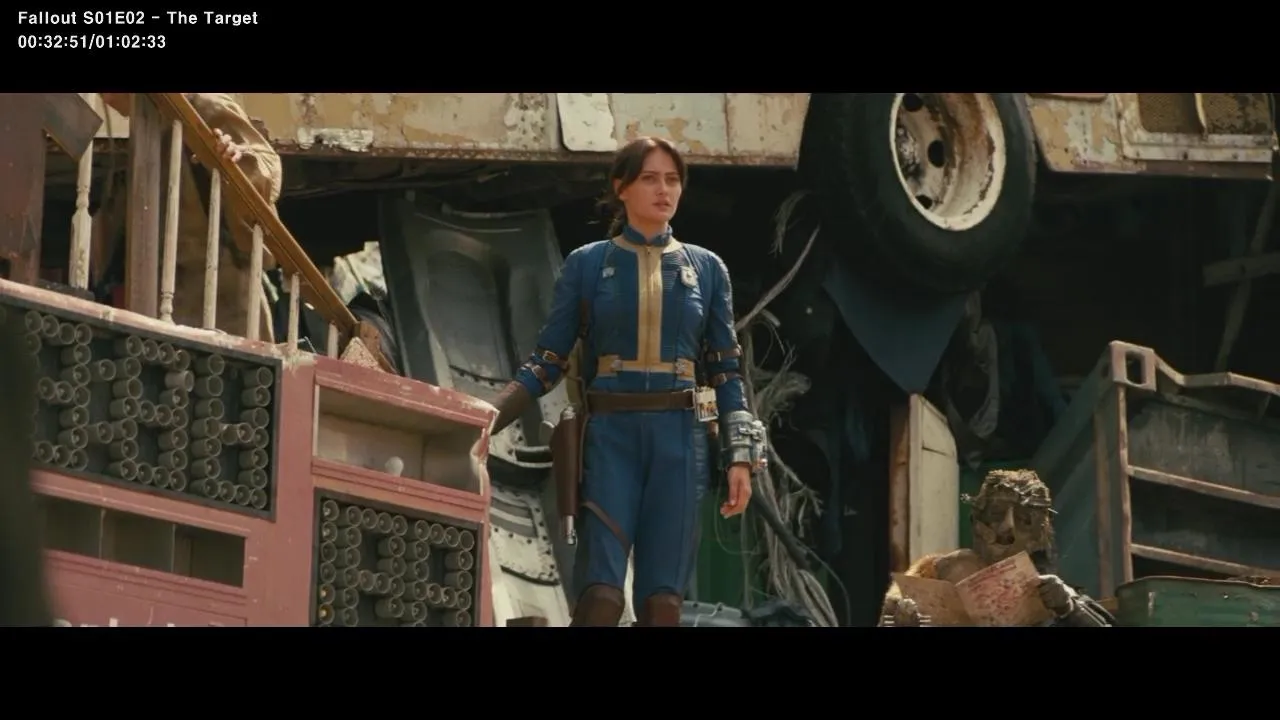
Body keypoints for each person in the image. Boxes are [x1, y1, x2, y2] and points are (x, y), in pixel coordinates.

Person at [487, 136, 765, 627]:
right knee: (601, 597)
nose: (664, 190)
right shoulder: (587, 264)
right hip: (609, 439)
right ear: (621, 188)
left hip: (681, 444)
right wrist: (485, 420)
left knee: (663, 605)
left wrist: (740, 455)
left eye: (673, 180)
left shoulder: (707, 269)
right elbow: (546, 362)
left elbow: (725, 371)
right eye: (650, 178)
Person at [95, 93, 280, 340]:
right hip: (167, 296)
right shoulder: (148, 123)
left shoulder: (198, 103)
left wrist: (237, 156)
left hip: (222, 294)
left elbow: (266, 164)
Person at [881, 468, 1114, 627]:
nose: (1006, 528)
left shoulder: (1054, 596)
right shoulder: (931, 576)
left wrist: (1069, 610)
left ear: (1038, 537)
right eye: (995, 514)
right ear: (976, 523)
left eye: (1024, 520)